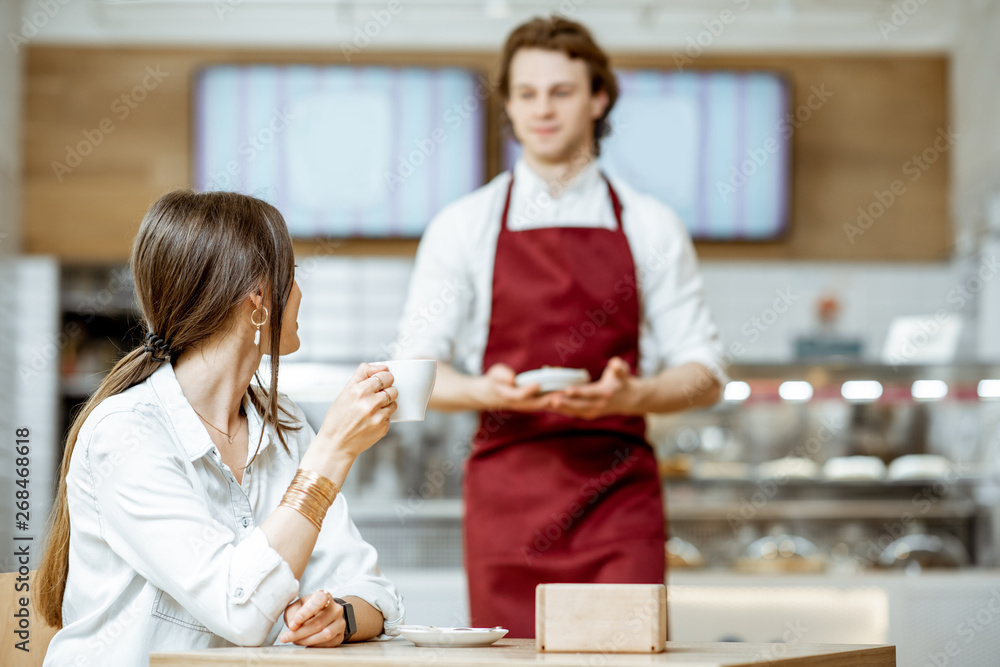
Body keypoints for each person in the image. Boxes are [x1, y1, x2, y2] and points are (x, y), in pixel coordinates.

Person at [394, 16, 726, 637]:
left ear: (599, 97)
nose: (541, 109)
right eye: (526, 93)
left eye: (561, 91)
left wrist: (636, 395)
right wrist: (486, 391)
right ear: (510, 105)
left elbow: (704, 375)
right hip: (507, 502)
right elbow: (415, 374)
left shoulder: (652, 226)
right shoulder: (463, 225)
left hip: (618, 497)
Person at [36, 191, 405, 666]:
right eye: (290, 277)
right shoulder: (126, 435)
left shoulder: (285, 425)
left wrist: (342, 616)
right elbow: (241, 611)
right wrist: (334, 451)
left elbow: (373, 589)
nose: (299, 294)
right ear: (257, 298)